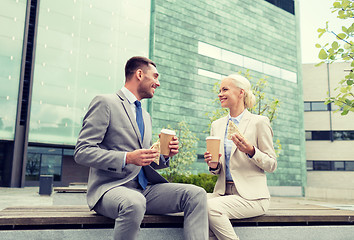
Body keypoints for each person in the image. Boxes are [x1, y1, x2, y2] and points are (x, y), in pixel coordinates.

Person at [75, 56, 208, 240]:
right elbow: (82, 151)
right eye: (155, 76)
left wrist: (165, 155)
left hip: (145, 189)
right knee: (134, 202)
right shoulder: (105, 103)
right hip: (111, 188)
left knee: (196, 194)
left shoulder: (145, 115)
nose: (158, 83)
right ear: (139, 74)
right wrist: (127, 158)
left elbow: (144, 158)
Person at [204, 74, 277, 240]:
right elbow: (217, 170)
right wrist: (213, 164)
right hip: (223, 193)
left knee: (209, 207)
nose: (219, 94)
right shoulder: (217, 125)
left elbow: (272, 164)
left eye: (225, 89)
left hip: (252, 197)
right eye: (219, 90)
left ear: (240, 93)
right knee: (192, 201)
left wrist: (251, 151)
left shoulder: (260, 122)